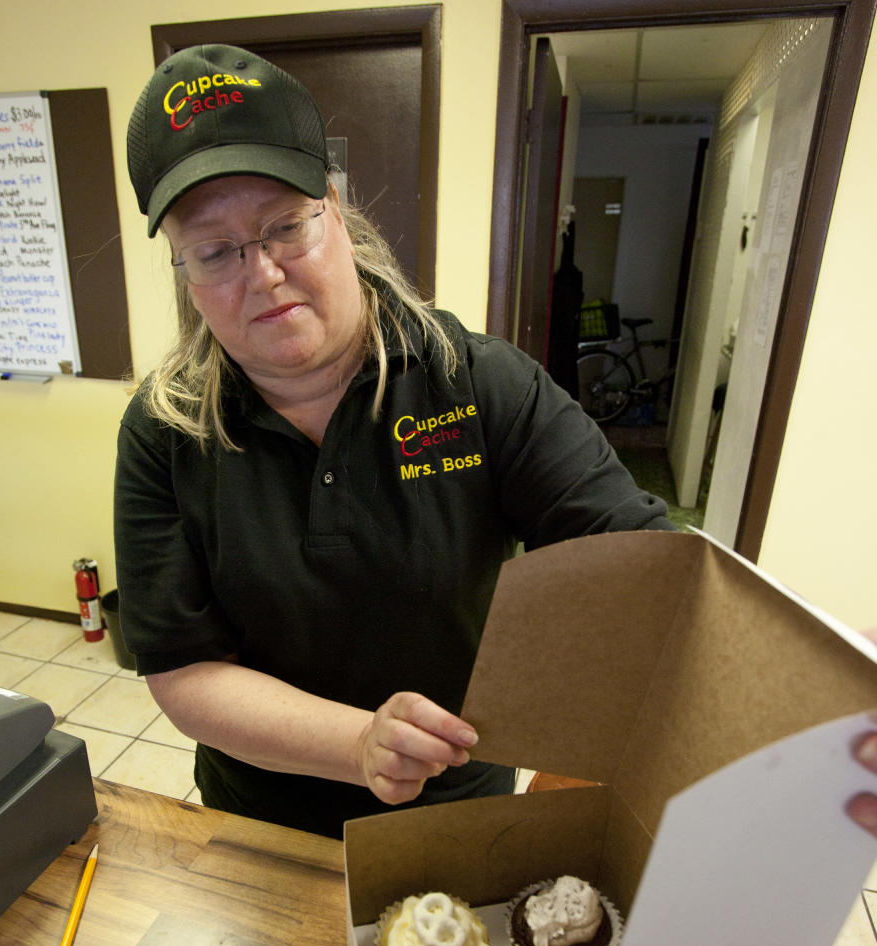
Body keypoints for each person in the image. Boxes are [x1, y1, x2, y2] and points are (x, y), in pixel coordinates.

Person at [115, 44, 674, 839]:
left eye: (284, 227)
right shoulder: (162, 431)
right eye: (215, 251)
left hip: (453, 815)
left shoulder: (476, 382)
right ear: (185, 271)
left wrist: (802, 653)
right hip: (259, 824)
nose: (264, 274)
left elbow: (642, 563)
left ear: (334, 212)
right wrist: (358, 743)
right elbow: (182, 669)